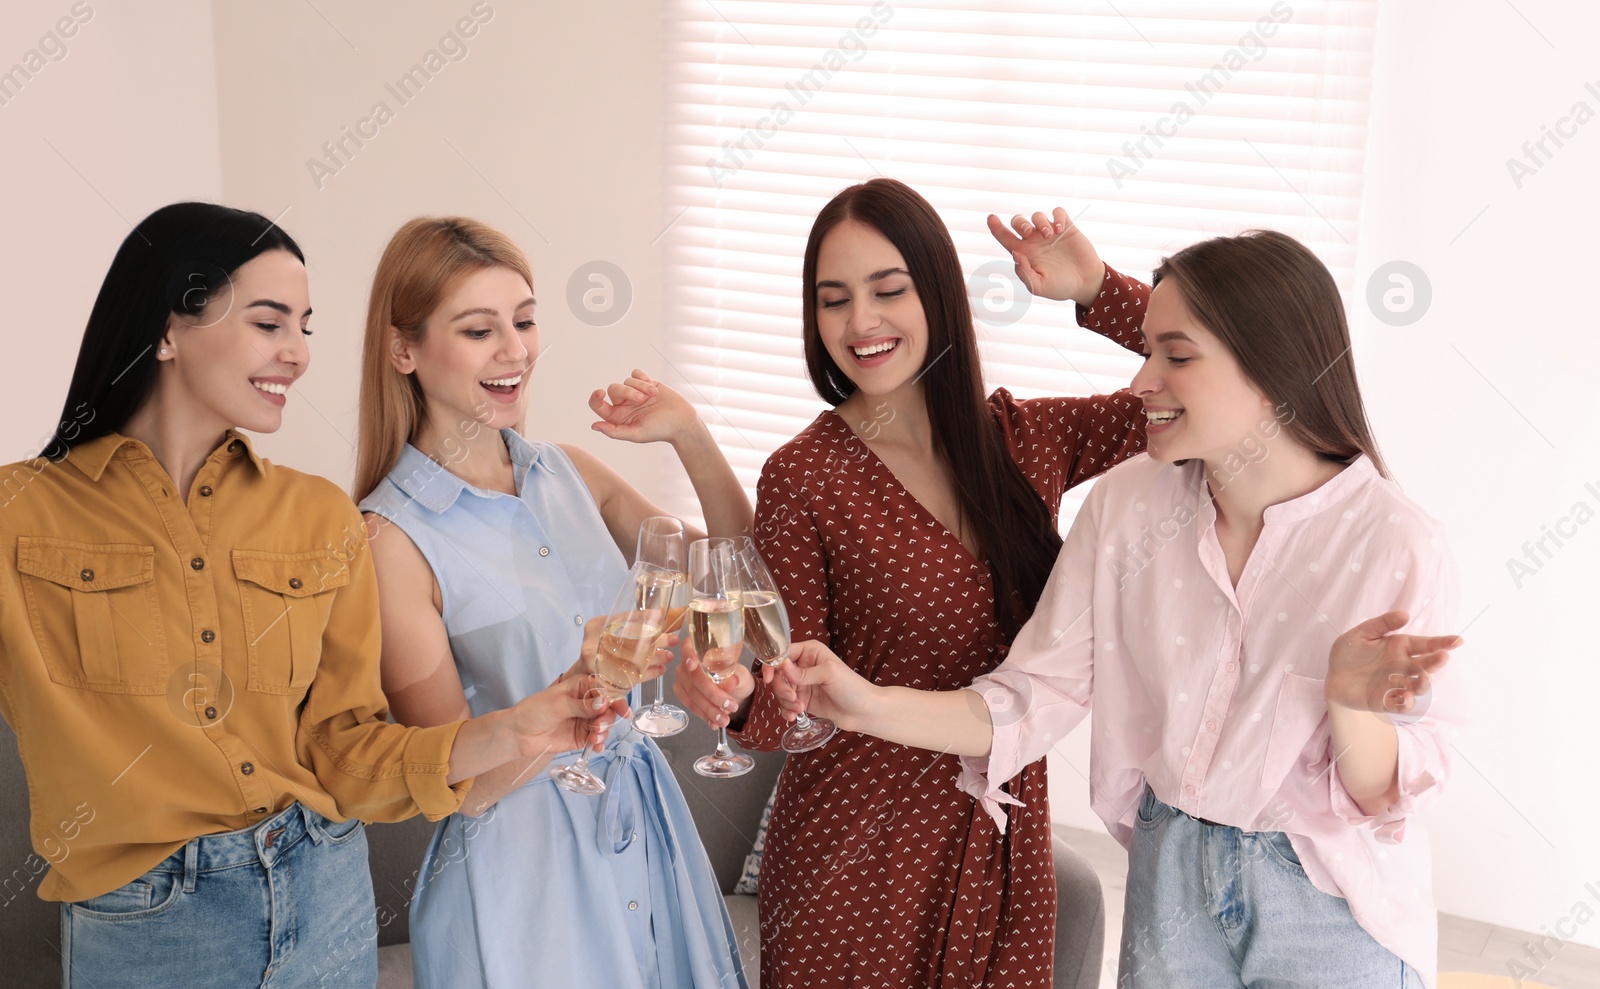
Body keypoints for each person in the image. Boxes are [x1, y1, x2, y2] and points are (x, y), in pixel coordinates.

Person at [770, 227, 1465, 989]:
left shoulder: (1396, 541)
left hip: (1330, 903)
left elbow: (1385, 790)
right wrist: (864, 703)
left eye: (1175, 356)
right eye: (1146, 353)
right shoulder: (1129, 505)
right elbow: (1030, 697)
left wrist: (1349, 706)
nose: (1141, 382)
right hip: (1169, 882)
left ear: (1274, 370)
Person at [0, 203, 620, 989]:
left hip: (325, 892)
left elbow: (349, 752)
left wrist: (520, 728)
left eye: (305, 326)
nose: (296, 353)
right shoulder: (18, 516)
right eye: (269, 323)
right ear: (167, 330)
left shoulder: (320, 515)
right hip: (151, 926)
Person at [673, 178, 1149, 987]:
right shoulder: (804, 477)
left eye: (888, 289)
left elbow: (1226, 375)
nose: (860, 323)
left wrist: (1103, 292)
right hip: (854, 862)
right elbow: (781, 692)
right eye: (833, 300)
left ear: (938, 293)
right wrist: (735, 688)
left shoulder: (1027, 441)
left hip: (1002, 854)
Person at [353, 216, 753, 989]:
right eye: (479, 329)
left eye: (525, 320)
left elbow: (736, 577)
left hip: (649, 835)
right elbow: (455, 783)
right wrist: (575, 691)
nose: (516, 349)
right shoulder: (389, 542)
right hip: (524, 880)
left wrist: (690, 438)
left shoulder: (572, 472)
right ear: (403, 350)